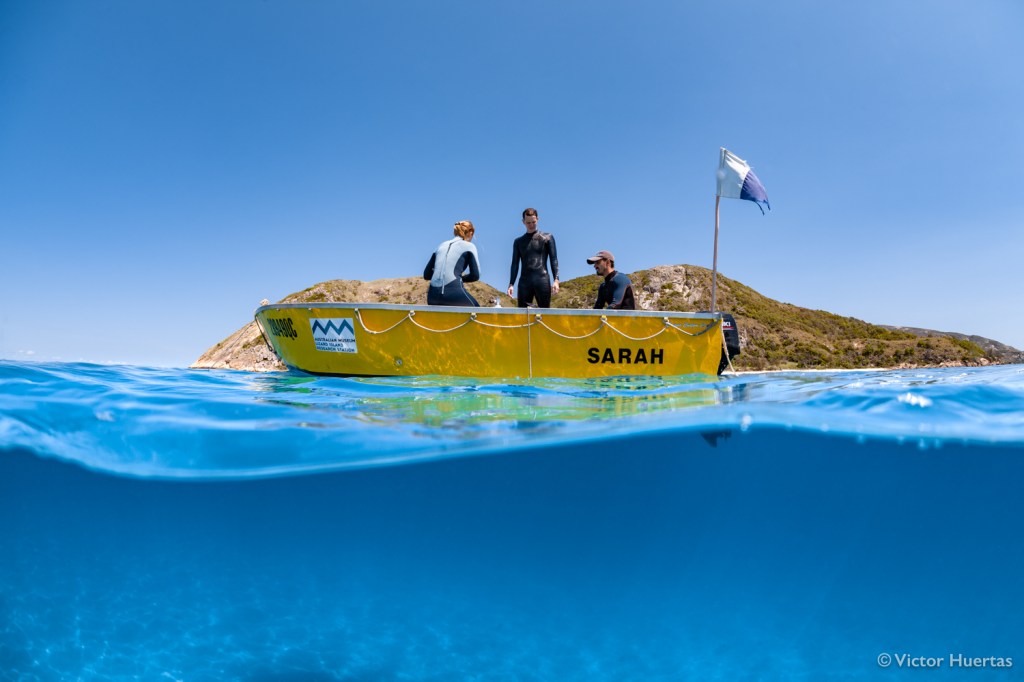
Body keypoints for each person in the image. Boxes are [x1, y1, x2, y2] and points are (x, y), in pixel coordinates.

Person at [507, 207, 559, 307]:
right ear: (523, 222)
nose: (531, 225)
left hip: (542, 279)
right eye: (528, 222)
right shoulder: (518, 242)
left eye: (533, 222)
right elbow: (514, 264)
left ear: (537, 219)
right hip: (524, 282)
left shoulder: (547, 237)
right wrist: (511, 284)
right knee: (522, 316)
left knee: (544, 314)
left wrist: (556, 280)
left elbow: (554, 259)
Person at [423, 220, 481, 307]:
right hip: (453, 293)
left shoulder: (440, 245)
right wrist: (461, 278)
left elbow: (426, 275)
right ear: (471, 232)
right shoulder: (469, 246)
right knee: (479, 311)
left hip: (432, 296)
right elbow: (475, 275)